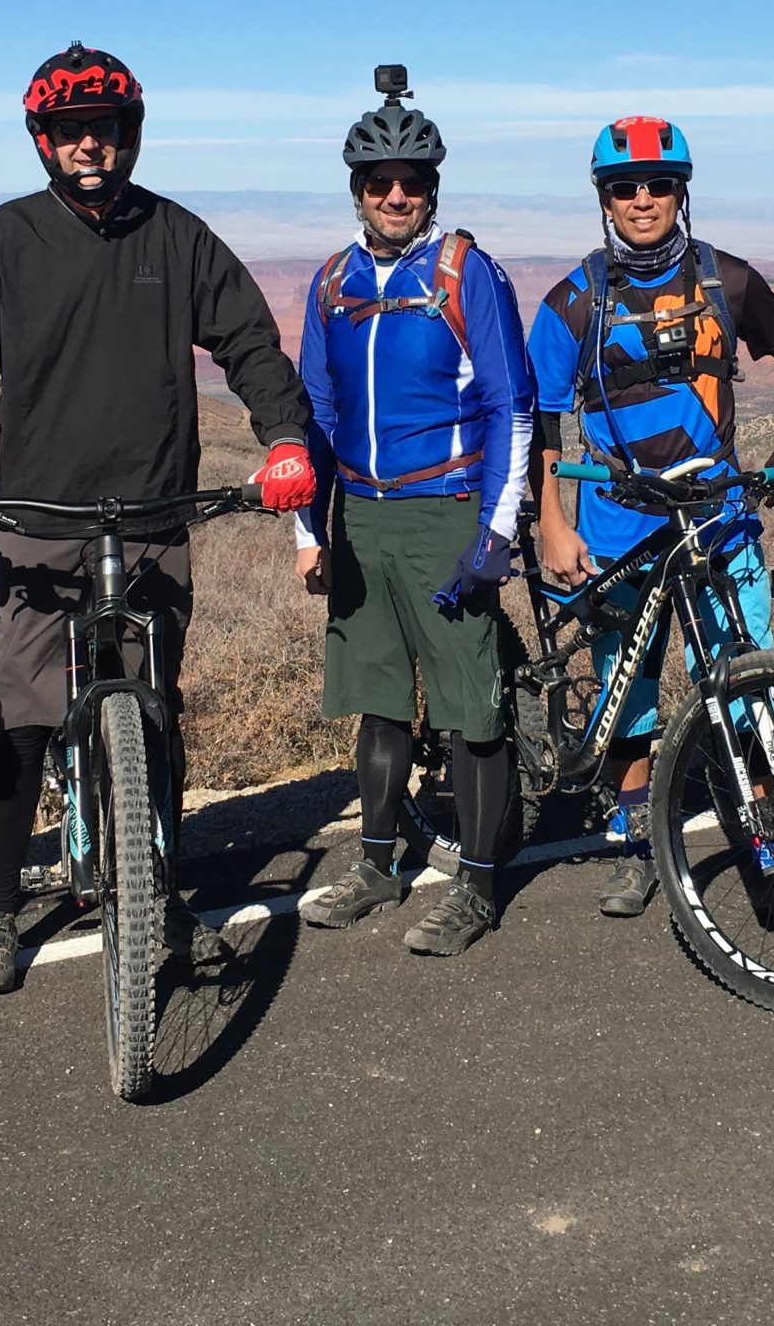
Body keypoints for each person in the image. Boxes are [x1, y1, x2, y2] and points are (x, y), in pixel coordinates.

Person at [0, 44, 316, 994]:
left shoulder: (178, 236)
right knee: (25, 717)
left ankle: (160, 891)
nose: (91, 146)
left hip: (155, 511)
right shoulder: (8, 240)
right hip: (41, 514)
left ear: (131, 136)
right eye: (72, 131)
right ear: (44, 140)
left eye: (106, 129)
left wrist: (285, 437)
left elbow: (248, 337)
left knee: (154, 714)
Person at [526, 116, 774, 918]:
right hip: (617, 523)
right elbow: (543, 420)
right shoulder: (575, 299)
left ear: (681, 191)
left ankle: (769, 837)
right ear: (605, 199)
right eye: (625, 188)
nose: (642, 200)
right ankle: (637, 843)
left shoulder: (728, 280)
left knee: (751, 684)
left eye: (657, 185)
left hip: (720, 522)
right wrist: (552, 520)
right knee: (632, 692)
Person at [291, 70, 535, 956]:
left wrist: (496, 529)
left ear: (433, 185)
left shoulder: (468, 273)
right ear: (356, 190)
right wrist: (309, 525)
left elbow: (513, 405)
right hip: (360, 514)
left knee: (474, 706)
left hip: (447, 512)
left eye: (413, 181)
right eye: (378, 182)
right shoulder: (330, 280)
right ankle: (379, 861)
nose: (396, 195)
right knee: (380, 703)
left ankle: (476, 884)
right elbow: (316, 409)